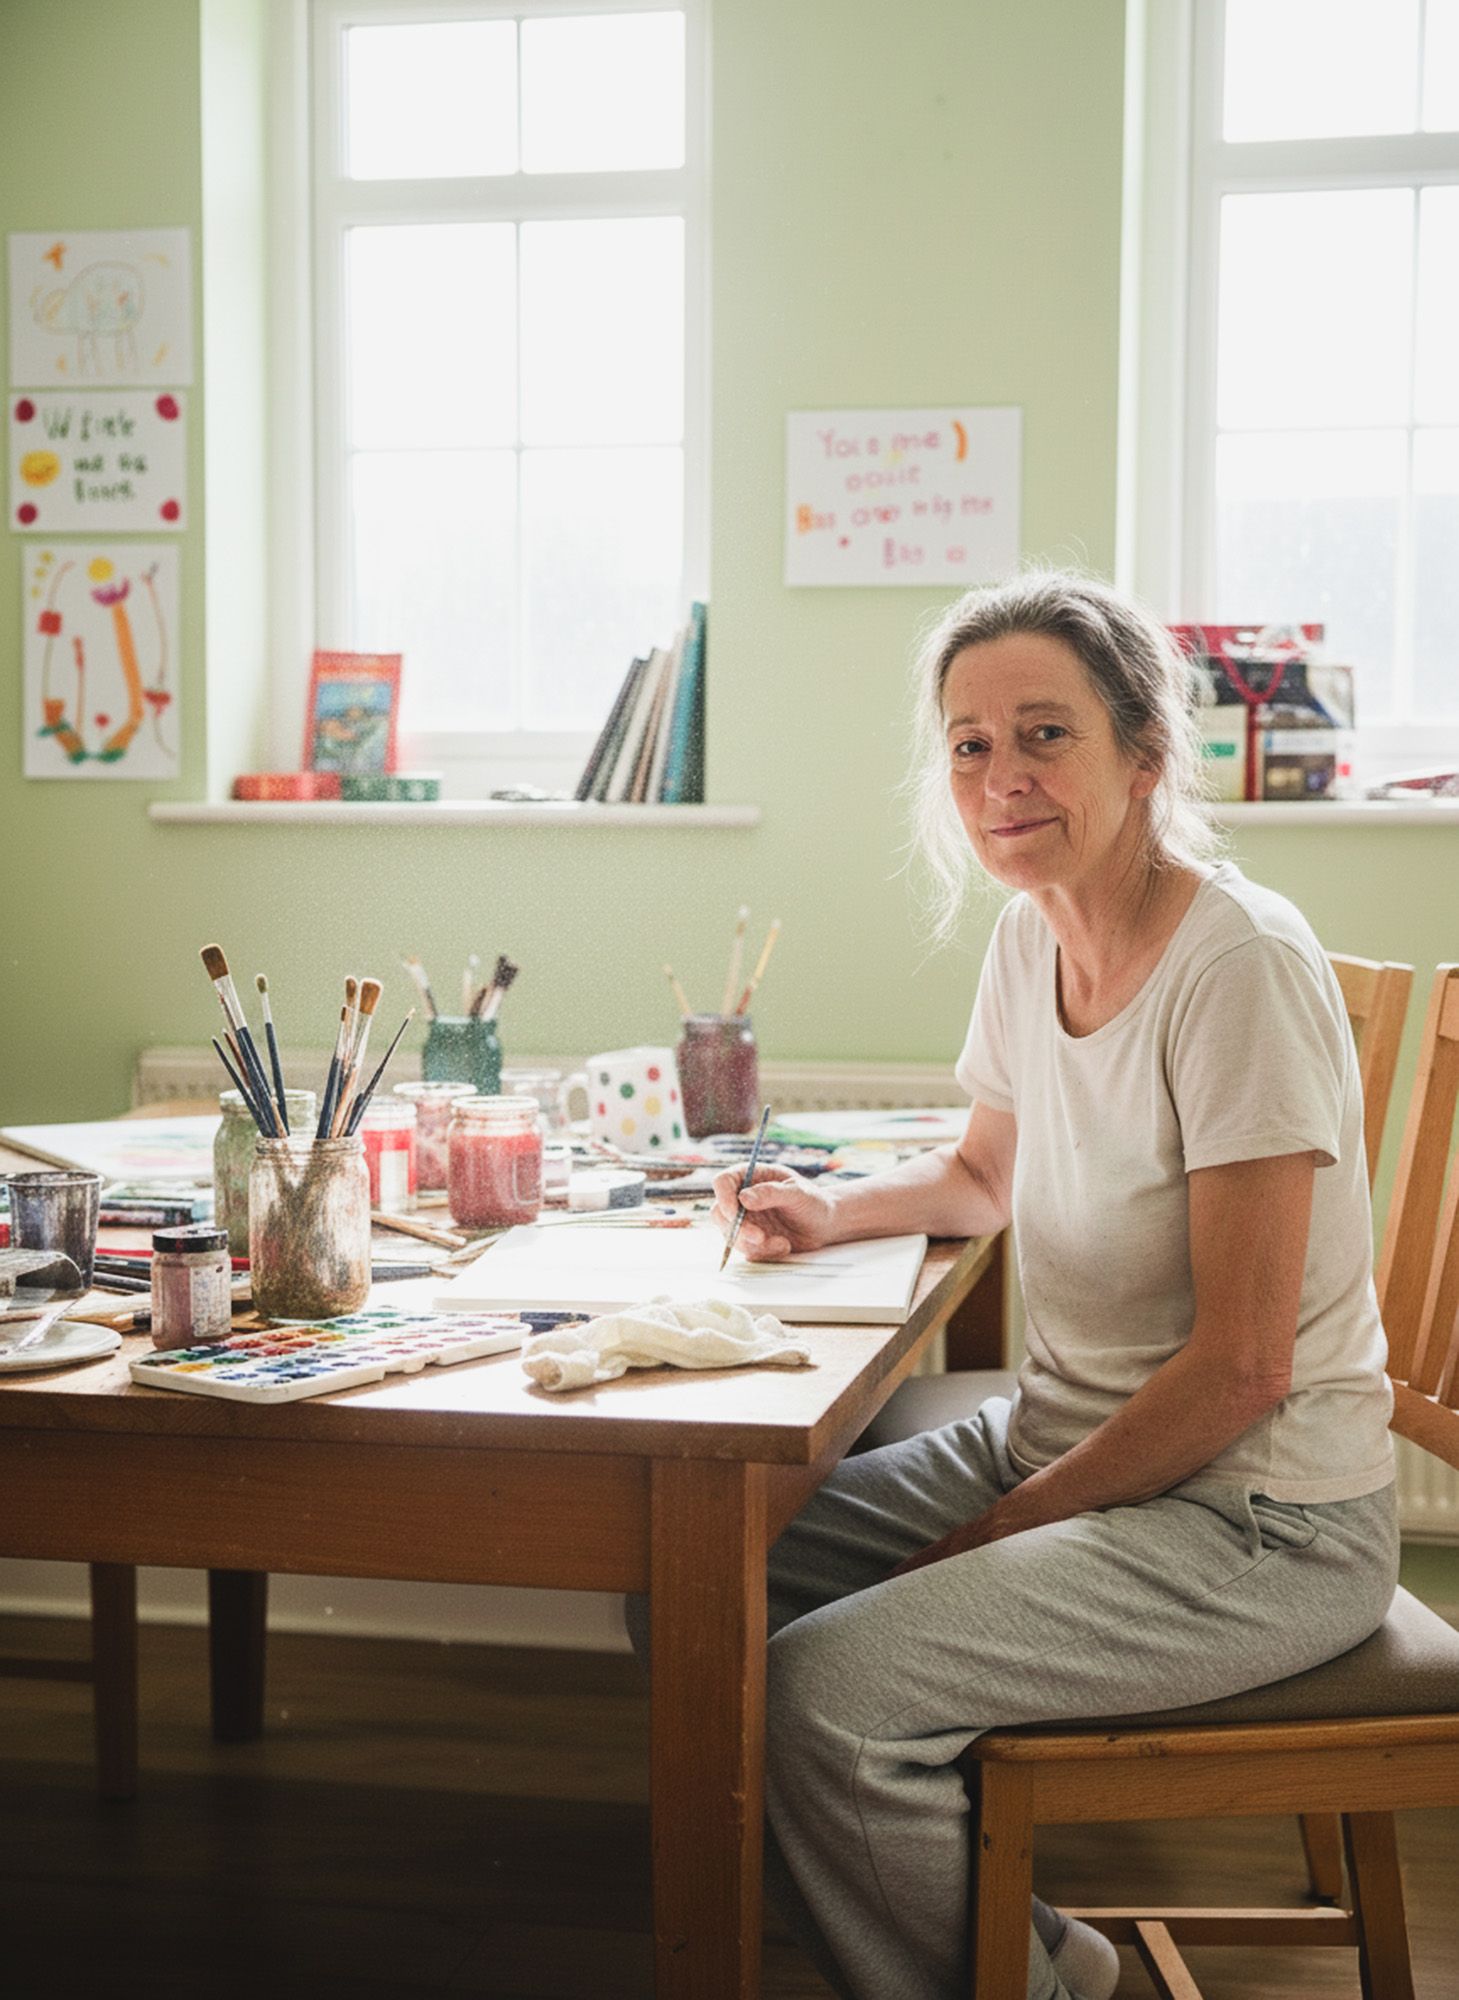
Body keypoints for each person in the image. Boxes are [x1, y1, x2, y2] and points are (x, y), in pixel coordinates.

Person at [706, 572, 1399, 2000]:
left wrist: (1004, 1532)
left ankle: (1032, 1982)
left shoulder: (1239, 968)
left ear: (1144, 755)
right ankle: (1020, 1951)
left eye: (1043, 735)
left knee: (825, 1694)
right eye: (968, 744)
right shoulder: (1037, 935)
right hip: (1078, 1445)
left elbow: (1244, 1369)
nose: (999, 777)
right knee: (702, 1568)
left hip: (1259, 1515)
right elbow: (981, 1181)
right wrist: (827, 1209)